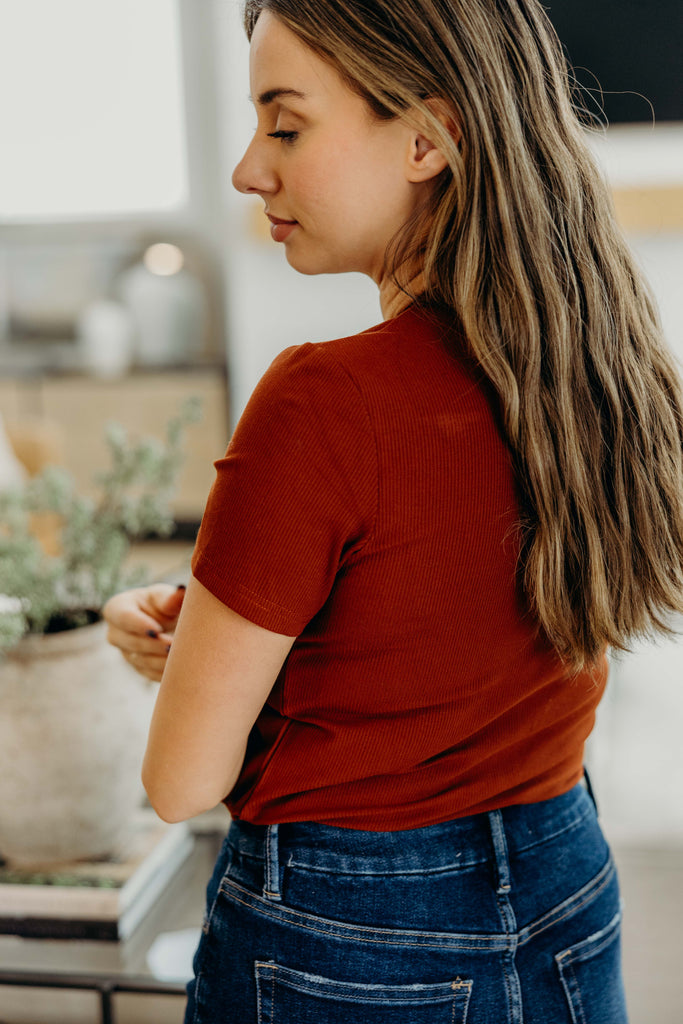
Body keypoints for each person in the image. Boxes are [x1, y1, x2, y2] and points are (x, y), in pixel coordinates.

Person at [104, 1, 683, 1021]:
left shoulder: (321, 405)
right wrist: (229, 645)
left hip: (338, 932)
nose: (248, 169)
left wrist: (206, 666)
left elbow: (179, 782)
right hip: (565, 884)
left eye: (284, 124)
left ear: (427, 137)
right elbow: (449, 646)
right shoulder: (595, 372)